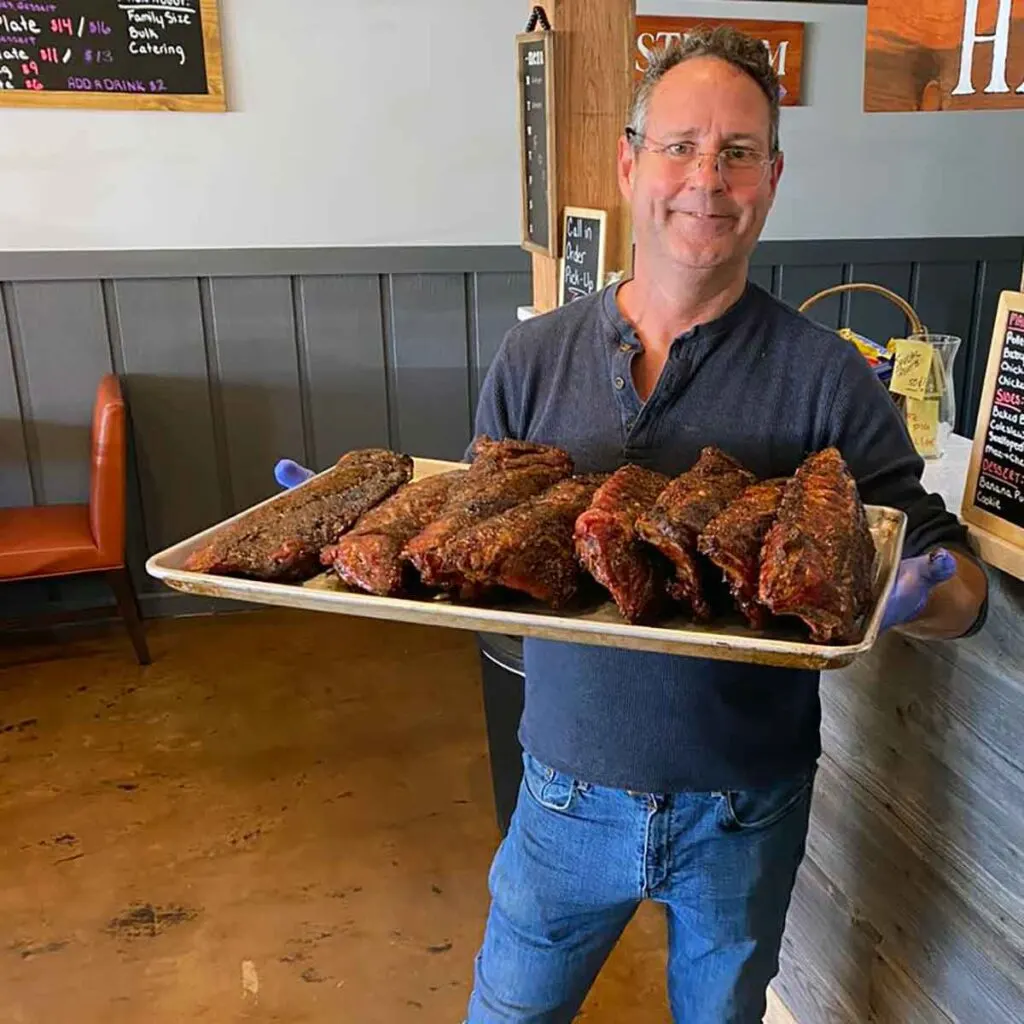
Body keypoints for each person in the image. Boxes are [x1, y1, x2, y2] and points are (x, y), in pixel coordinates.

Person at [276, 26, 989, 1023]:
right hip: (562, 789)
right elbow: (476, 558)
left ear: (772, 179)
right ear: (629, 162)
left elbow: (957, 589)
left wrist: (920, 596)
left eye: (739, 152)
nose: (708, 178)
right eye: (680, 145)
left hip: (744, 806)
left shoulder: (825, 377)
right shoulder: (535, 360)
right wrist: (367, 525)